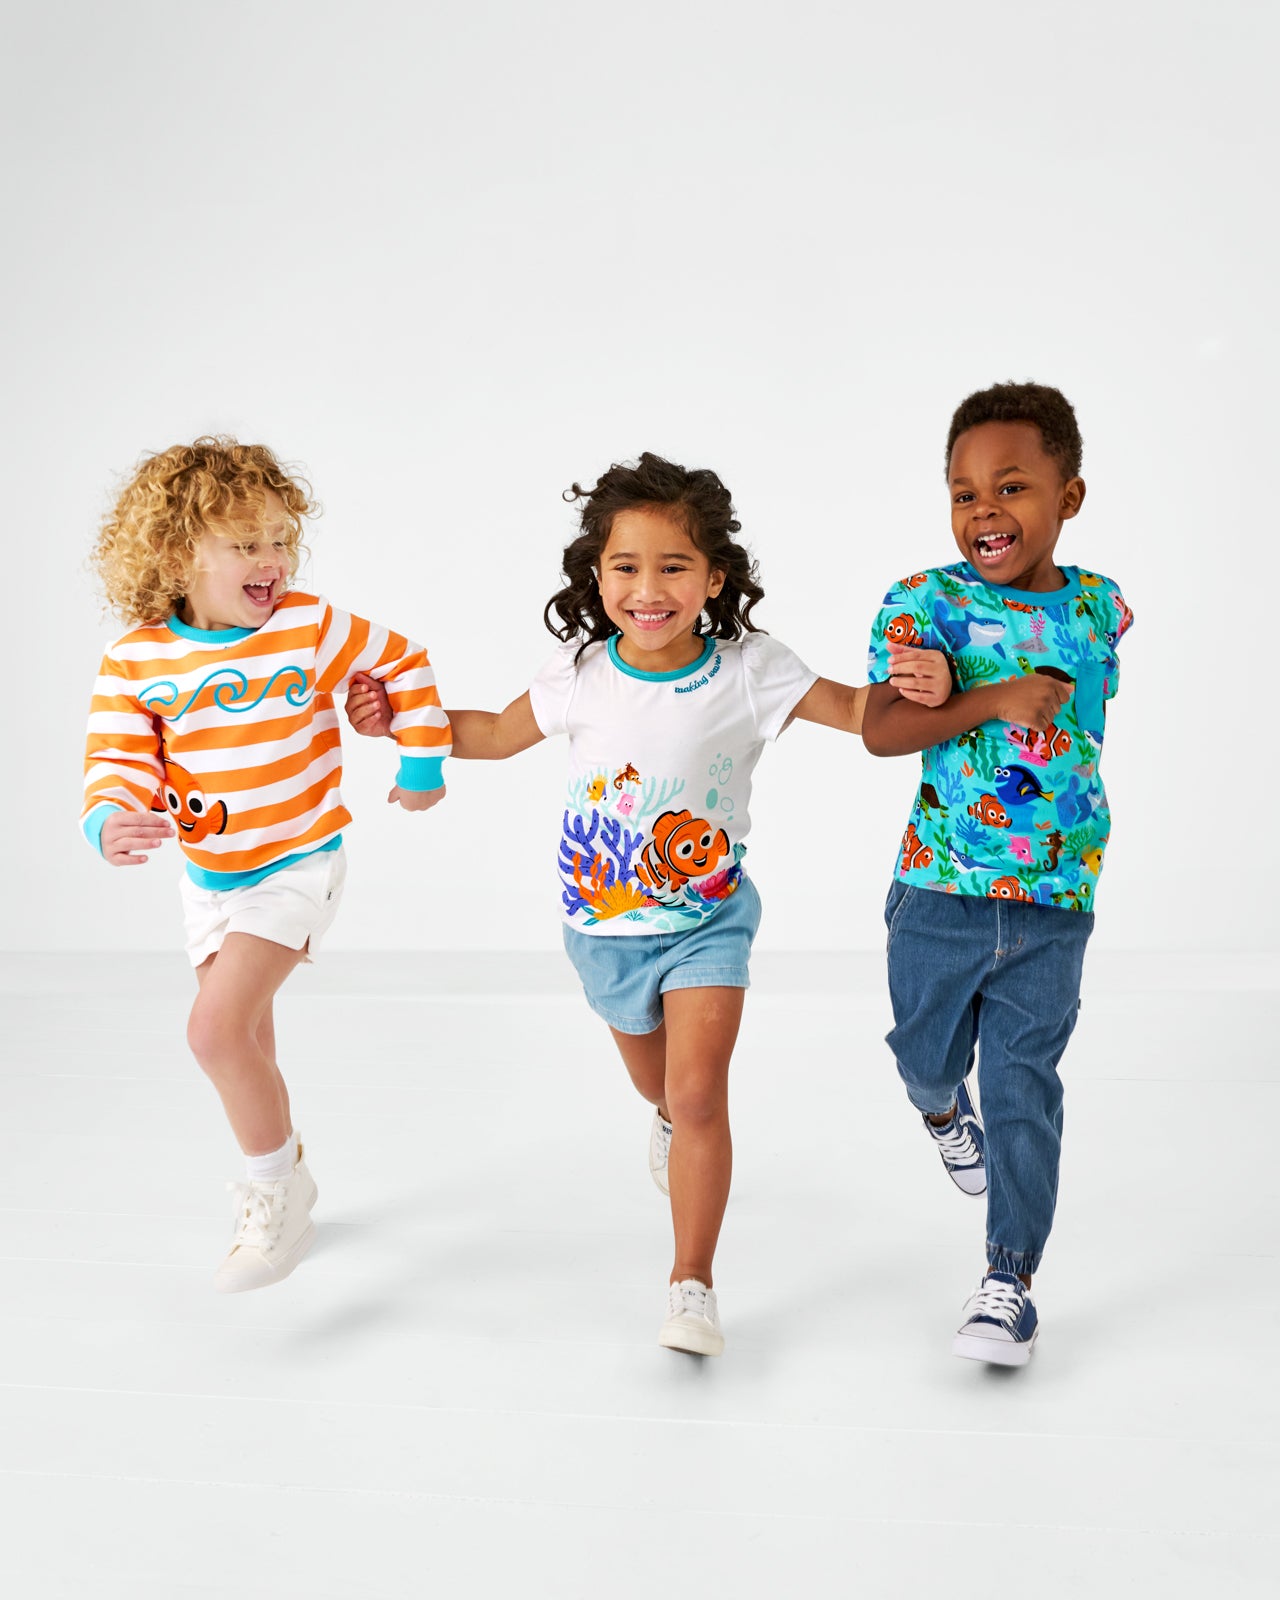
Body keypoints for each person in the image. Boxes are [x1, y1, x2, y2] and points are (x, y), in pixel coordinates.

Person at [347, 451, 956, 1356]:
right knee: (662, 1088)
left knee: (701, 1090)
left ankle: (691, 1283)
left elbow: (858, 711)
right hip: (603, 933)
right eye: (626, 567)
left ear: (714, 577)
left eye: (674, 567)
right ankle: (666, 1117)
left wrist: (931, 684)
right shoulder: (582, 672)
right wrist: (398, 721)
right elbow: (495, 734)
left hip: (709, 921)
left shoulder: (751, 669)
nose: (648, 590)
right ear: (596, 577)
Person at [81, 438, 450, 1292]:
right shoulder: (136, 660)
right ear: (177, 554)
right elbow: (117, 759)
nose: (273, 560)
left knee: (211, 1033)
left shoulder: (306, 626)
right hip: (210, 879)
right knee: (246, 1040)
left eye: (281, 539)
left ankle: (274, 1193)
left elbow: (401, 659)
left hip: (298, 862)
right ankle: (291, 1181)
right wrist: (106, 819)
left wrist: (420, 759)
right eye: (246, 543)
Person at [861, 382, 1134, 1366]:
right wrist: (982, 696)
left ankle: (1006, 1281)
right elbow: (878, 728)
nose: (984, 510)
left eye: (1011, 487)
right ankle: (941, 1109)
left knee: (1024, 1085)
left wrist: (1013, 691)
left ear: (1069, 496)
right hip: (940, 889)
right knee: (924, 1056)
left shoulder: (1101, 605)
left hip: (1056, 897)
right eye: (963, 492)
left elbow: (1084, 699)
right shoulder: (925, 604)